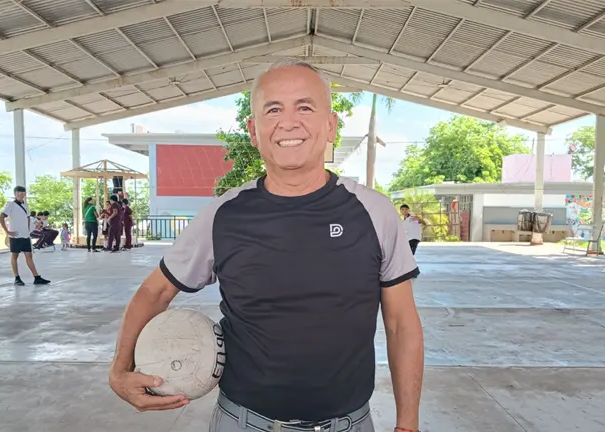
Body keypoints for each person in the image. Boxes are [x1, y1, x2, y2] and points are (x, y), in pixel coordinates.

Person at [108, 59, 423, 432]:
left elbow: (401, 323)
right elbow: (155, 291)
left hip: (350, 424)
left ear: (331, 125)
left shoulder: (374, 212)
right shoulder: (224, 214)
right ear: (254, 131)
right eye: (273, 110)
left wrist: (408, 424)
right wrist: (120, 368)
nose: (288, 122)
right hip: (243, 422)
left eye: (304, 107)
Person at [0, 186, 50, 286]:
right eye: (19, 192)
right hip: (15, 235)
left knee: (29, 256)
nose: (21, 194)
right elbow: (1, 217)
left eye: (23, 193)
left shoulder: (25, 204)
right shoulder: (11, 205)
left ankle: (37, 277)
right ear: (15, 194)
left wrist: (28, 229)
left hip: (25, 235)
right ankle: (17, 278)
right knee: (15, 256)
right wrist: (7, 231)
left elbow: (28, 217)